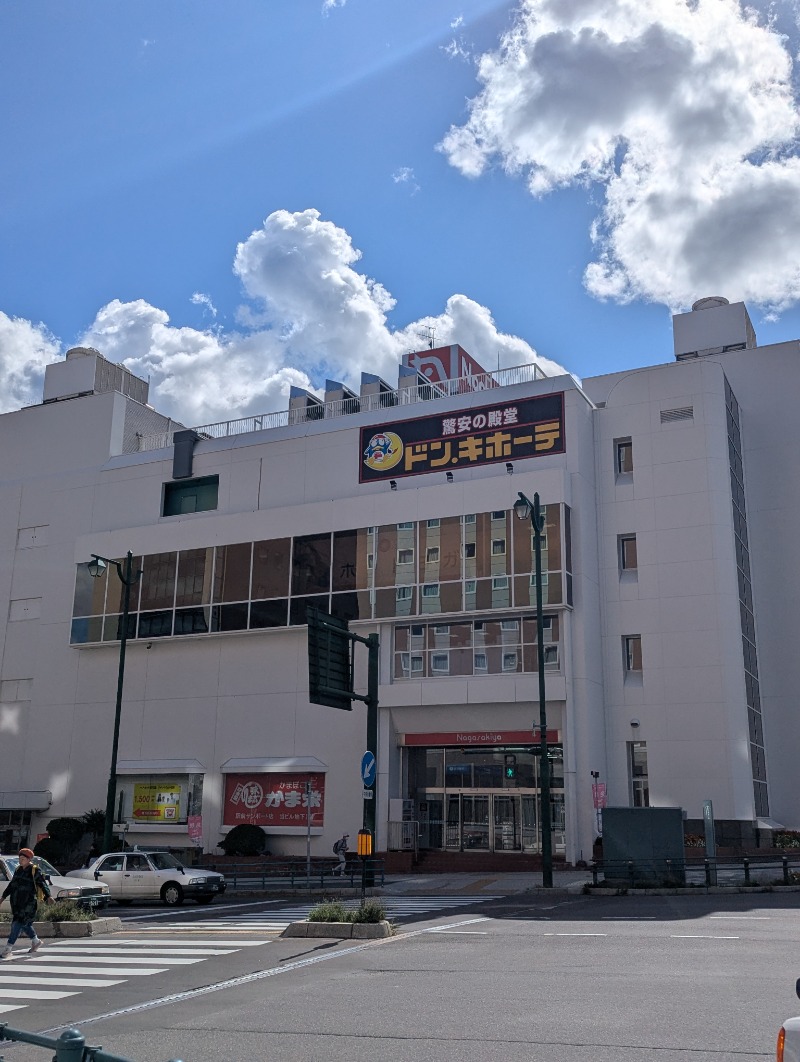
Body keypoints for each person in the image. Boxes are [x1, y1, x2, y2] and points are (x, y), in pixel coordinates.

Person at [1, 848, 52, 960]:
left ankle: (8, 949)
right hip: (16, 903)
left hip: (28, 904)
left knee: (17, 924)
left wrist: (48, 896)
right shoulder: (18, 870)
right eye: (20, 859)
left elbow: (42, 884)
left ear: (29, 859)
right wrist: (2, 898)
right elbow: (12, 885)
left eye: (23, 859)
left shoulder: (35, 870)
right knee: (25, 924)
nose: (20, 861)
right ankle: (36, 941)